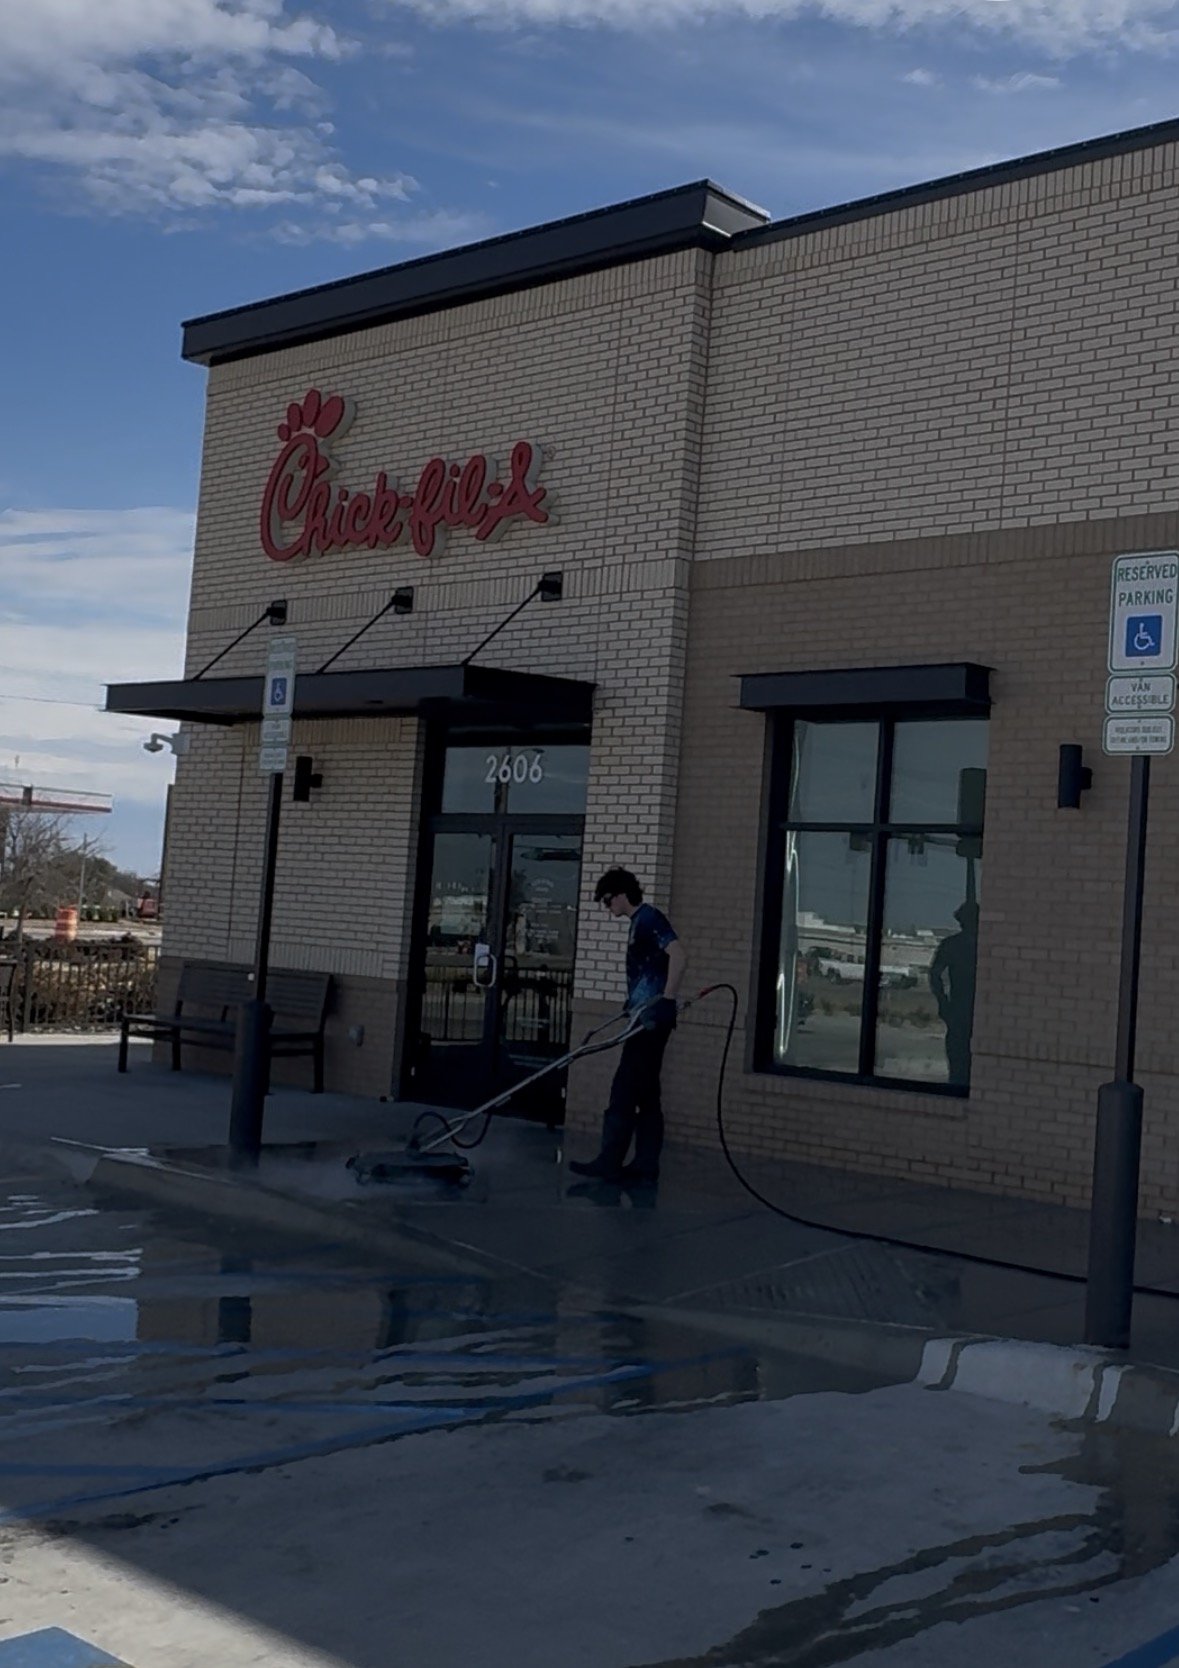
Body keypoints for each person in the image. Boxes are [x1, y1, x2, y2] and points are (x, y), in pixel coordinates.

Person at [569, 867, 686, 1186]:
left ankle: (609, 1162)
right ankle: (646, 1165)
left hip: (651, 1022)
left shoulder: (649, 918)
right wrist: (632, 1005)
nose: (608, 908)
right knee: (647, 1093)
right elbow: (647, 974)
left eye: (608, 901)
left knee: (624, 1090)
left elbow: (678, 955)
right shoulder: (639, 923)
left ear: (621, 894)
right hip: (642, 1017)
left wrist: (667, 999)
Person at [928, 901, 979, 1087]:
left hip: (965, 1010)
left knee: (961, 1062)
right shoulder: (955, 945)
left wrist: (943, 1002)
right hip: (961, 1010)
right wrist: (943, 1003)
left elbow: (935, 975)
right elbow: (935, 975)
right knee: (960, 1061)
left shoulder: (953, 945)